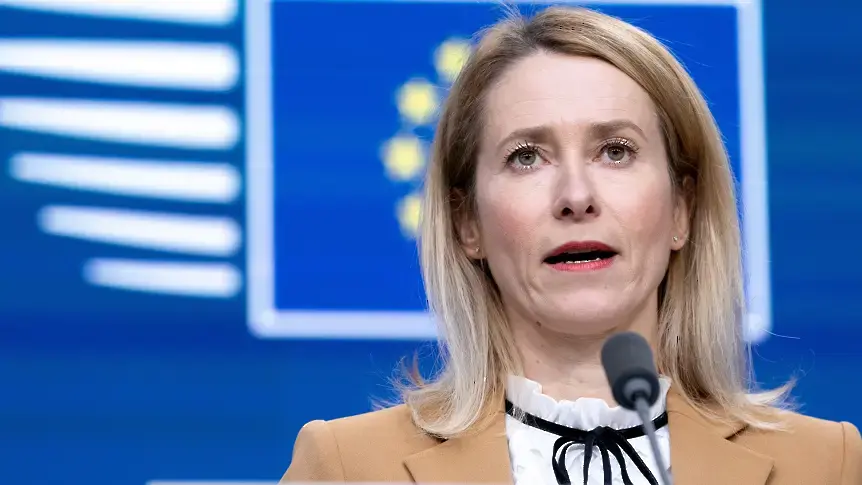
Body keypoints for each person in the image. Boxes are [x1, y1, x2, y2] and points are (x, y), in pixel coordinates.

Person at [282, 6, 862, 484]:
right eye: (526, 157)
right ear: (467, 222)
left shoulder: (827, 465)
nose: (576, 197)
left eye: (615, 151)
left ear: (681, 208)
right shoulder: (349, 466)